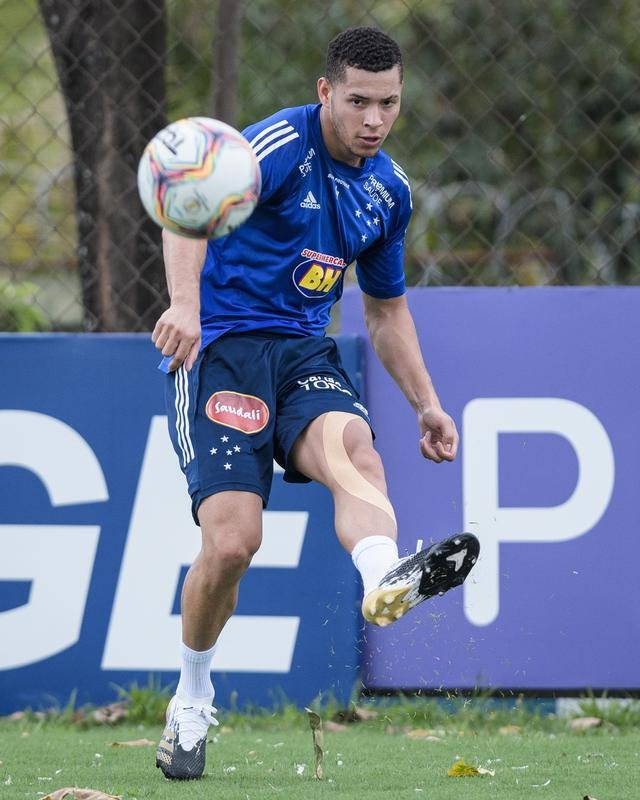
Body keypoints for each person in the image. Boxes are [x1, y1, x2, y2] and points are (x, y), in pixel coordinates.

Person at [152, 26, 479, 781]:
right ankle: (192, 698)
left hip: (303, 354)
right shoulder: (272, 148)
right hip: (223, 350)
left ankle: (382, 580)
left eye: (388, 103)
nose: (374, 119)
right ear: (326, 92)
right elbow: (187, 211)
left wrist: (427, 403)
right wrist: (186, 306)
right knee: (232, 543)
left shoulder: (387, 189)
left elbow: (387, 311)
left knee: (355, 448)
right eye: (358, 101)